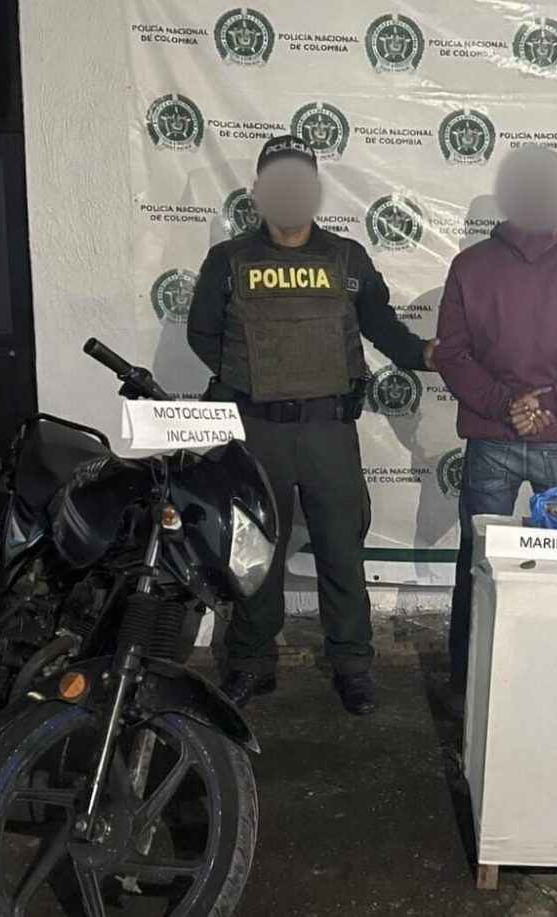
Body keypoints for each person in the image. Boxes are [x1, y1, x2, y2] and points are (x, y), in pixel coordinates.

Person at [187, 135, 437, 714]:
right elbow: (203, 335)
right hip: (258, 429)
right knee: (256, 551)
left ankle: (352, 666)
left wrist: (425, 354)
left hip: (328, 429)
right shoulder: (228, 261)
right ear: (258, 192)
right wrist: (255, 377)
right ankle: (252, 663)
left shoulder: (347, 259)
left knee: (341, 552)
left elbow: (381, 326)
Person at [433, 147, 557, 695]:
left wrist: (508, 405)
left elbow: (451, 354)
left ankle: (467, 679)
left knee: (479, 563)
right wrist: (552, 404)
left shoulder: (470, 266)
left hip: (492, 438)